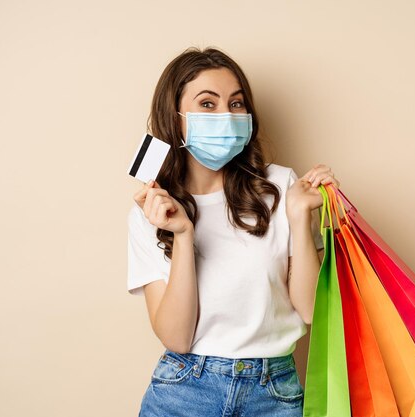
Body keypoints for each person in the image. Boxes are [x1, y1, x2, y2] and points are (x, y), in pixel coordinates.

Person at [127, 46, 340, 417]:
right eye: (207, 104)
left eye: (237, 104)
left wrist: (299, 214)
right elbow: (177, 337)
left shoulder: (282, 186)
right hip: (184, 392)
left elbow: (309, 310)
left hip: (273, 391)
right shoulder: (153, 210)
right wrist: (182, 234)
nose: (226, 115)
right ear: (174, 117)